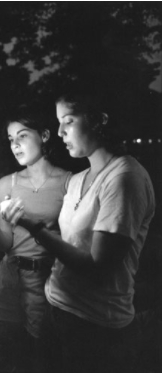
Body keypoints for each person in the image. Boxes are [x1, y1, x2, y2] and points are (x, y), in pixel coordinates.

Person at [13, 88, 155, 373]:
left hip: (95, 326)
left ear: (98, 120)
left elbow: (98, 267)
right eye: (58, 122)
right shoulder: (77, 180)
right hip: (58, 308)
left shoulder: (124, 178)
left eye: (68, 121)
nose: (60, 131)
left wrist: (34, 228)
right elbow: (71, 244)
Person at [0, 109, 71, 369]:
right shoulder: (6, 184)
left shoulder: (68, 182)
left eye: (22, 136)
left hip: (46, 279)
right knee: (10, 353)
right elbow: (6, 243)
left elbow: (71, 240)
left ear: (44, 135)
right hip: (10, 278)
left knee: (41, 356)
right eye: (10, 139)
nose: (15, 144)